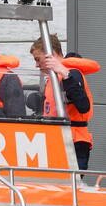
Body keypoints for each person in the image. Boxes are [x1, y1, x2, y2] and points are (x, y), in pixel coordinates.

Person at [30, 34, 98, 171]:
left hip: (74, 142)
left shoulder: (71, 74)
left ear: (51, 55)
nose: (36, 65)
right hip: (55, 138)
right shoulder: (52, 78)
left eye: (38, 59)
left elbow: (83, 106)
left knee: (72, 184)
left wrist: (65, 74)